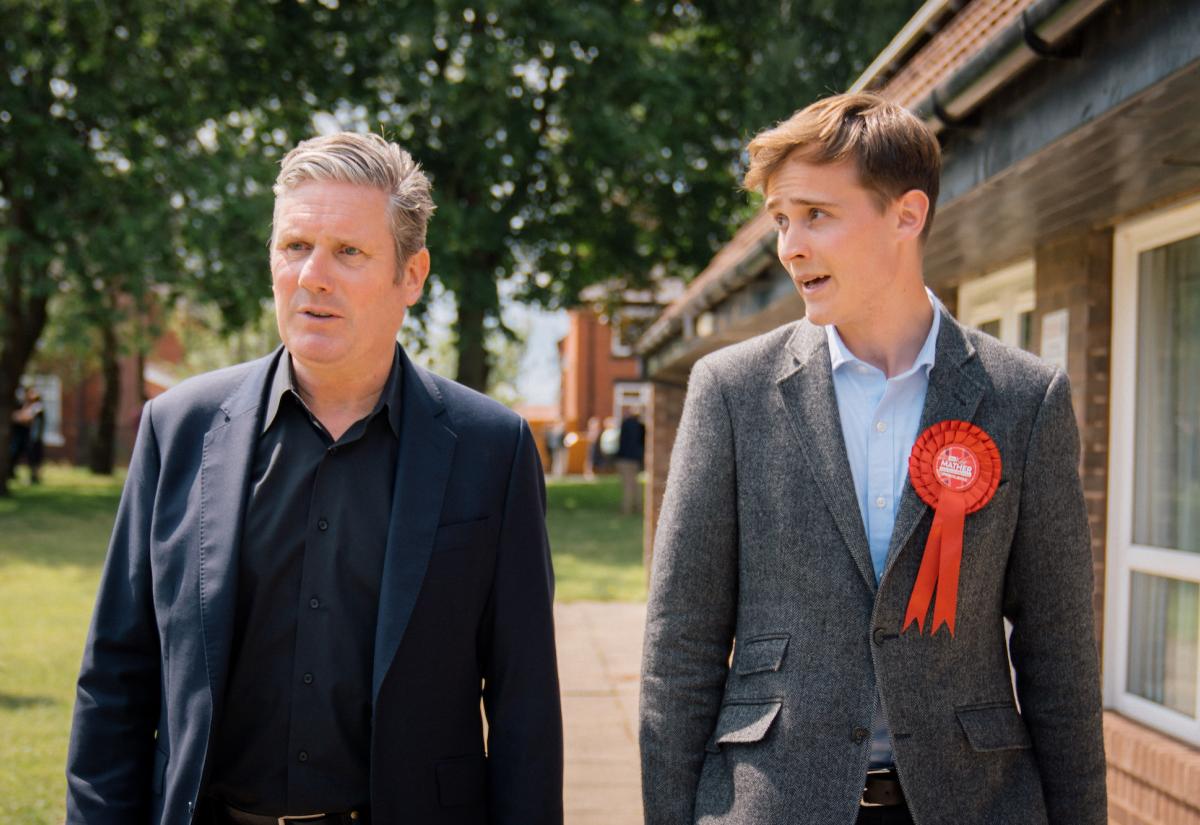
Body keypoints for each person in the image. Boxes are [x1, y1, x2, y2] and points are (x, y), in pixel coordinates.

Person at [66, 132, 563, 825]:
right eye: (295, 246)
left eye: (348, 252)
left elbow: (525, 706)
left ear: (411, 276)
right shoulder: (176, 429)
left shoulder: (492, 450)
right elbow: (115, 683)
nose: (312, 277)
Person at [640, 93, 1105, 825]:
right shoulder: (729, 390)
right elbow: (682, 647)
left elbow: (1061, 658)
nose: (790, 245)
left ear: (906, 215)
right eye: (781, 220)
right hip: (773, 805)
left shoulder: (1025, 397)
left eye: (816, 215)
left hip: (974, 804)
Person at [614, 408, 645, 515]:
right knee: (636, 484)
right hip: (635, 459)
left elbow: (622, 441)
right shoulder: (641, 426)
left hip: (624, 458)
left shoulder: (625, 423)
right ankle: (639, 507)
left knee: (627, 485)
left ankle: (627, 509)